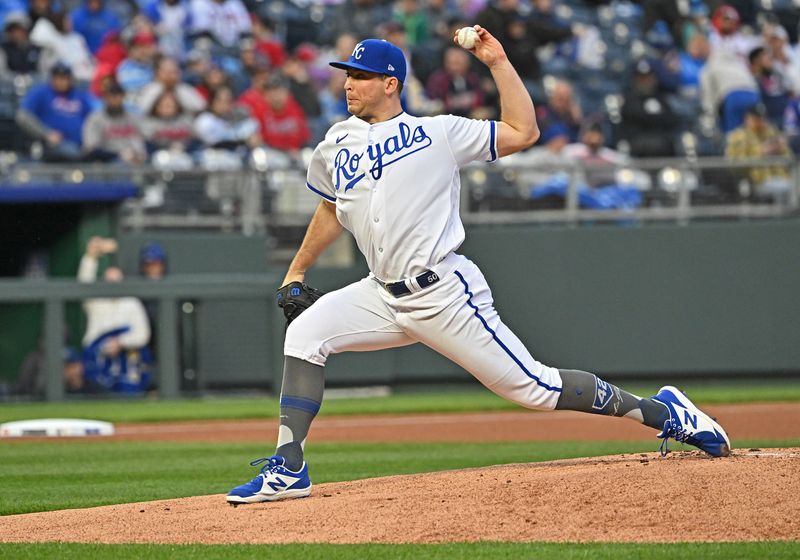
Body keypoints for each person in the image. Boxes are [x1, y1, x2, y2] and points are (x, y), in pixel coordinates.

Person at [226, 30, 732, 506]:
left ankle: (666, 412)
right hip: (380, 293)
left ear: (390, 83)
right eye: (346, 74)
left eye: (358, 76)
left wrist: (497, 62)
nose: (347, 84)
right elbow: (331, 208)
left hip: (443, 292)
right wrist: (296, 272)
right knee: (306, 335)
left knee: (535, 388)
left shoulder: (437, 133)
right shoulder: (337, 142)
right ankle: (289, 466)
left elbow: (522, 131)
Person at [78, 237, 152, 394]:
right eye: (108, 280)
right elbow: (84, 285)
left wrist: (121, 342)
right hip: (99, 361)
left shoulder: (131, 302)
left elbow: (143, 335)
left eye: (116, 281)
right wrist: (90, 257)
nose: (112, 284)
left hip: (124, 361)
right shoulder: (96, 301)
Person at [16, 62, 95, 162]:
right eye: (59, 78)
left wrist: (90, 141)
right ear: (52, 79)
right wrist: (46, 133)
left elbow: (92, 119)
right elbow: (23, 116)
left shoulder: (79, 96)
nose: (62, 82)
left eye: (65, 78)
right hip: (52, 146)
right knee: (71, 152)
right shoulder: (41, 93)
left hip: (80, 145)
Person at [82, 80, 147, 163]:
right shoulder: (95, 119)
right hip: (107, 163)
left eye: (118, 95)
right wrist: (119, 155)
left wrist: (139, 154)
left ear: (123, 97)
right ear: (105, 98)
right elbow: (92, 150)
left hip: (134, 161)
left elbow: (142, 141)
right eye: (111, 95)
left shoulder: (133, 118)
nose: (115, 99)